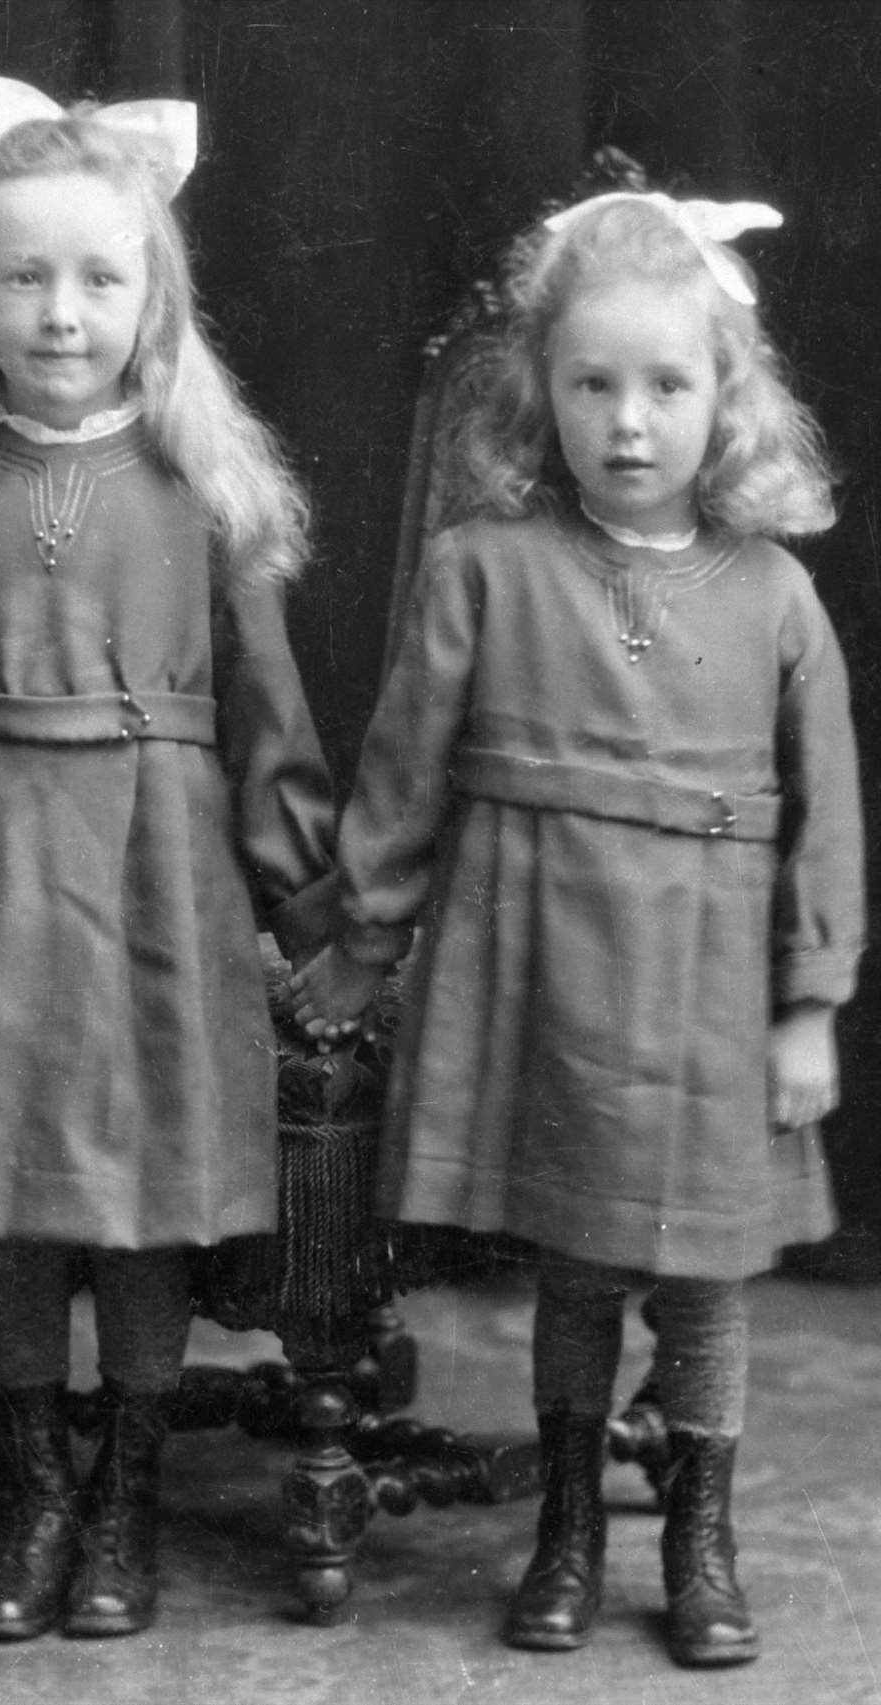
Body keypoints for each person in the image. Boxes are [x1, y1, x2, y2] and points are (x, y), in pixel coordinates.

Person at [293, 166, 864, 1668]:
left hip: (708, 985)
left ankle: (700, 1535)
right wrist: (364, 936)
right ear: (537, 392)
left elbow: (829, 816)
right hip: (541, 973)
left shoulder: (774, 597)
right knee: (581, 1266)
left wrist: (809, 1002)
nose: (628, 422)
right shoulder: (485, 568)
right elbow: (405, 770)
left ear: (725, 398)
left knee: (702, 1277)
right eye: (591, 383)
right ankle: (562, 1526)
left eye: (666, 386)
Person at [0, 73, 335, 1643]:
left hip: (162, 874)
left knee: (143, 1196)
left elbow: (269, 721)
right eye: (23, 277)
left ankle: (126, 1480)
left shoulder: (202, 488)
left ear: (152, 298)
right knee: (18, 1199)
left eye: (99, 278)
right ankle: (32, 1477)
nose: (61, 313)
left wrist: (305, 917)